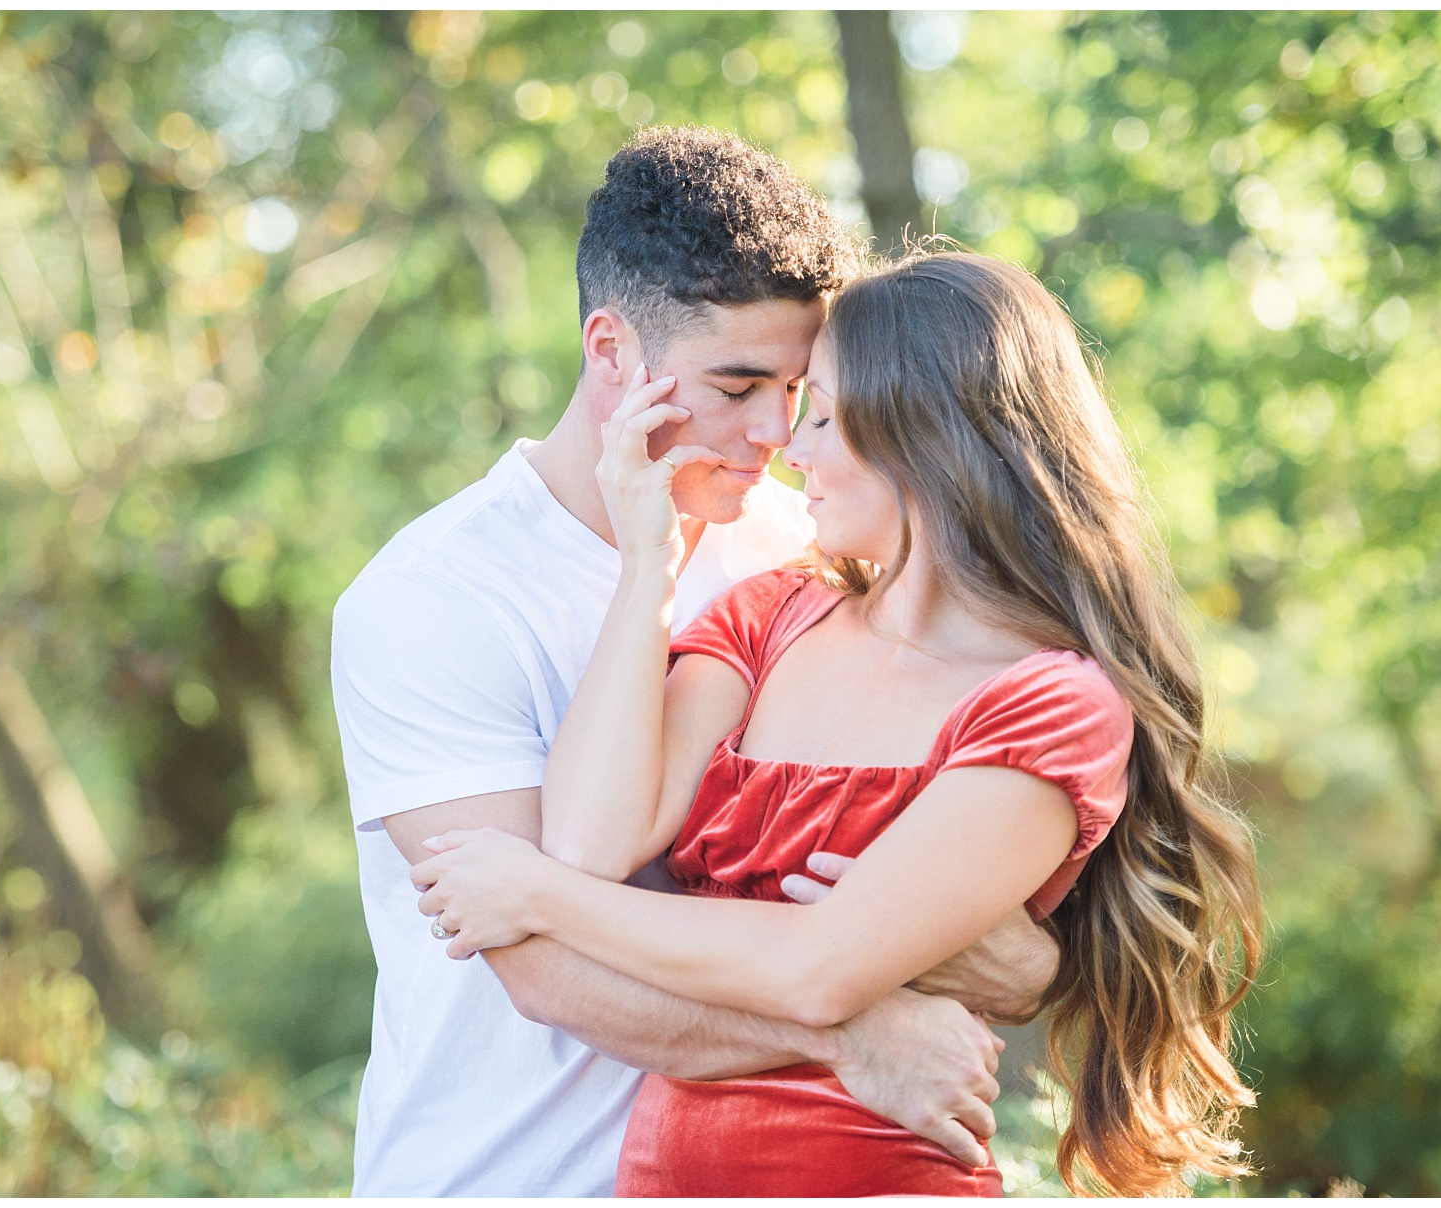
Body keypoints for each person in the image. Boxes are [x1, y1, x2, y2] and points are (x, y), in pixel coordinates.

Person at [410, 250, 1265, 1197]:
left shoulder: (1049, 706)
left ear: (926, 437)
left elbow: (817, 972)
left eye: (817, 413)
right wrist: (645, 563)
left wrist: (531, 895)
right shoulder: (771, 615)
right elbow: (587, 840)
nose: (789, 448)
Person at [330, 130, 1058, 1197]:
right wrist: (848, 1031)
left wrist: (1023, 958)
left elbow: (941, 881)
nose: (774, 432)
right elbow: (544, 963)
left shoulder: (807, 553)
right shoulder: (429, 603)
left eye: (799, 389)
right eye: (735, 384)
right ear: (611, 351)